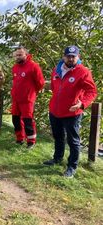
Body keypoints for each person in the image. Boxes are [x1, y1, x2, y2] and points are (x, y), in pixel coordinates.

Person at [43, 46, 97, 178]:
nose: (71, 58)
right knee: (58, 136)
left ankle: (72, 167)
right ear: (64, 57)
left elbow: (92, 91)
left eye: (74, 56)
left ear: (78, 57)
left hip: (72, 113)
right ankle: (57, 158)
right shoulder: (56, 70)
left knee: (73, 141)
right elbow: (55, 87)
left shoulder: (83, 72)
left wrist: (82, 103)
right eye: (68, 56)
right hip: (55, 111)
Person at [11, 46, 45, 148]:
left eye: (20, 55)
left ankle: (31, 141)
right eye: (16, 55)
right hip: (16, 99)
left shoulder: (34, 66)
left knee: (28, 121)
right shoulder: (15, 67)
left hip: (27, 99)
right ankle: (19, 139)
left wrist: (31, 93)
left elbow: (40, 83)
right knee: (15, 120)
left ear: (26, 55)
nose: (18, 57)